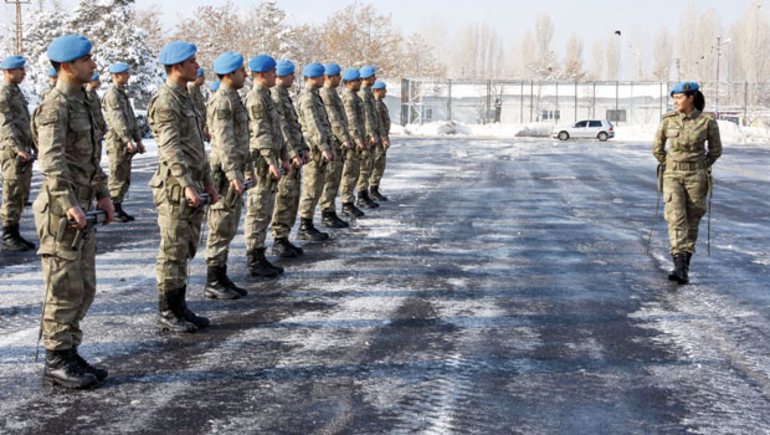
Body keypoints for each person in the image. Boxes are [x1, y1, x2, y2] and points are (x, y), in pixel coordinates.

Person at [31, 34, 114, 388]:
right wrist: (69, 204)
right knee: (63, 287)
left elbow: (93, 158)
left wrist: (104, 195)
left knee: (84, 287)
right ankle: (56, 358)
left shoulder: (85, 102)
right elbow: (51, 162)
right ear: (67, 65)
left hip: (83, 206)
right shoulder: (55, 106)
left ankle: (70, 350)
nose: (93, 64)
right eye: (86, 59)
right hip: (61, 212)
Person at [147, 41, 219, 332]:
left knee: (185, 247)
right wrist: (188, 184)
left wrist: (207, 182)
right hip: (175, 187)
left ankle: (179, 305)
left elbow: (197, 148)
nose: (197, 66)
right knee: (172, 250)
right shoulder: (166, 101)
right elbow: (171, 149)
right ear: (177, 67)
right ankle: (167, 310)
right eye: (192, 62)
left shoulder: (186, 97)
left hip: (192, 184)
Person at [652, 81, 722, 285]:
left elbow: (716, 150)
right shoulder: (668, 121)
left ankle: (684, 266)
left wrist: (701, 166)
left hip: (697, 177)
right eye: (674, 98)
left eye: (679, 98)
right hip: (672, 176)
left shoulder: (707, 122)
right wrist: (671, 164)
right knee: (675, 218)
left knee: (692, 219)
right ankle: (678, 264)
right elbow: (657, 149)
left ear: (691, 98)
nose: (675, 102)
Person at [203, 51, 251, 299]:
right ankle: (213, 280)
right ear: (230, 74)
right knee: (220, 226)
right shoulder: (222, 101)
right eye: (242, 70)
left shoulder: (234, 99)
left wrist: (247, 168)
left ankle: (221, 276)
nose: (246, 74)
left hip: (234, 170)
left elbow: (242, 139)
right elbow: (223, 141)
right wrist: (233, 173)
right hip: (224, 173)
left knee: (229, 225)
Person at [243, 54, 289, 278]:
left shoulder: (266, 96)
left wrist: (284, 156)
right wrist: (271, 161)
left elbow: (277, 132)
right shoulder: (255, 99)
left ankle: (260, 253)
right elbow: (261, 134)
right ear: (262, 74)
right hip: (261, 162)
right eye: (272, 72)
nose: (275, 75)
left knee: (266, 208)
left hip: (270, 160)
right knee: (257, 210)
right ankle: (254, 257)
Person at [270, 59, 309, 258]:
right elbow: (282, 129)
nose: (293, 77)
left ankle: (284, 237)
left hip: (294, 154)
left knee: (292, 197)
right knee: (284, 197)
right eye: (290, 74)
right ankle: (279, 239)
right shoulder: (275, 96)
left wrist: (304, 147)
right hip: (286, 156)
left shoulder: (284, 95)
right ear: (279, 76)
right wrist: (293, 153)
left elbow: (295, 126)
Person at [1, 55, 37, 251]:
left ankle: (15, 232)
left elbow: (24, 122)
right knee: (13, 191)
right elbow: (5, 125)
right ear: (9, 72)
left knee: (22, 192)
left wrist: (33, 144)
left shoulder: (16, 91)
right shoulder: (4, 93)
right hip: (12, 152)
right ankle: (8, 235)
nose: (24, 73)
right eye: (20, 70)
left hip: (23, 149)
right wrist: (18, 149)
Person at [296, 62, 335, 241]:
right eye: (321, 76)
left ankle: (309, 223)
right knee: (311, 188)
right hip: (314, 148)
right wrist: (324, 147)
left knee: (317, 187)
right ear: (313, 77)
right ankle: (305, 225)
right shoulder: (308, 98)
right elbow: (314, 126)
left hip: (319, 147)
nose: (323, 79)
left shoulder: (315, 96)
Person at [103, 62, 145, 222]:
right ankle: (113, 208)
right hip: (117, 141)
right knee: (117, 174)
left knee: (124, 175)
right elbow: (117, 120)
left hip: (124, 140)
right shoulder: (112, 95)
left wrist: (138, 139)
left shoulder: (122, 94)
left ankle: (118, 206)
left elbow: (131, 118)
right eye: (125, 74)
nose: (128, 76)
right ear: (116, 76)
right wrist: (127, 139)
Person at [318, 62, 353, 229]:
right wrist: (344, 137)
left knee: (335, 178)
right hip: (333, 142)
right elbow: (333, 119)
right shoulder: (326, 94)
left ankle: (330, 211)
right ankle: (327, 213)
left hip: (337, 142)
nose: (340, 78)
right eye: (337, 75)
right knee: (330, 179)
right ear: (328, 77)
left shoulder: (332, 93)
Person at [339, 68, 367, 219]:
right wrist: (357, 139)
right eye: (358, 80)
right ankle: (346, 203)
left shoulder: (354, 96)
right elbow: (351, 121)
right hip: (352, 142)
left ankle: (350, 202)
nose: (360, 83)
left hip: (356, 140)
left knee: (354, 172)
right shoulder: (349, 98)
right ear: (350, 82)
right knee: (349, 173)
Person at [356, 65, 381, 209]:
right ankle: (361, 195)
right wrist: (371, 134)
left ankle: (364, 194)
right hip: (365, 136)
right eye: (372, 76)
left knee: (368, 166)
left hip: (369, 134)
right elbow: (366, 117)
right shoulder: (363, 93)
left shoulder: (368, 92)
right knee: (364, 167)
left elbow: (373, 116)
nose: (375, 78)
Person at [369, 80, 391, 201]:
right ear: (377, 90)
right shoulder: (376, 104)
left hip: (381, 137)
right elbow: (379, 123)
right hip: (378, 139)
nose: (385, 92)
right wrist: (383, 138)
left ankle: (375, 188)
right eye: (383, 89)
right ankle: (372, 190)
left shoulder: (379, 103)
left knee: (380, 165)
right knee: (377, 165)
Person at [188, 67, 209, 142]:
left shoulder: (197, 90)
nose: (204, 78)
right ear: (198, 77)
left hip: (200, 129)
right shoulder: (190, 89)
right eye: (202, 76)